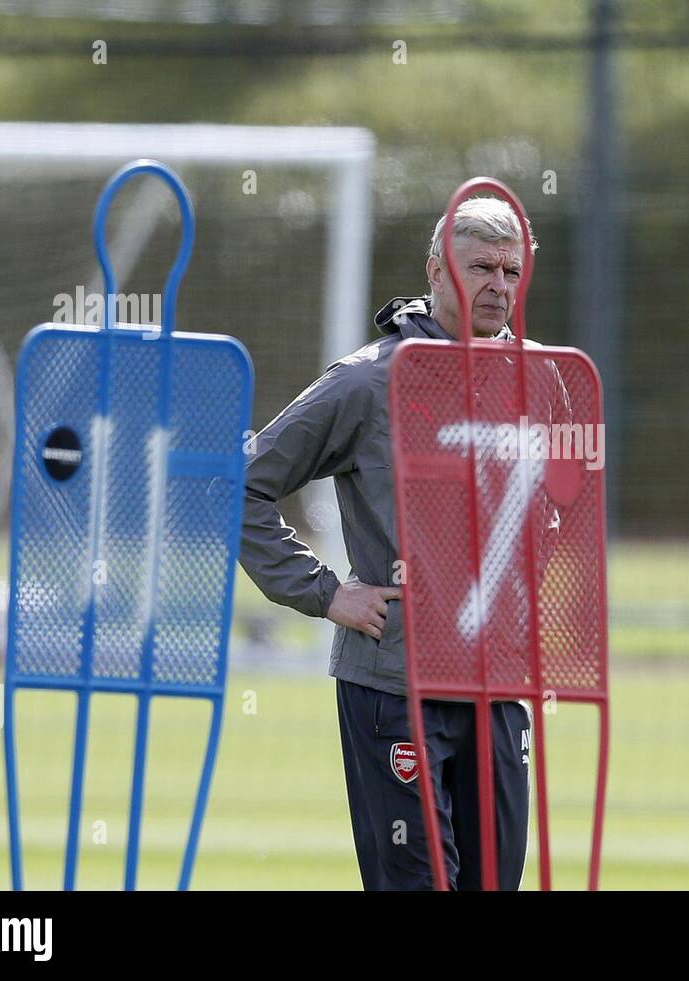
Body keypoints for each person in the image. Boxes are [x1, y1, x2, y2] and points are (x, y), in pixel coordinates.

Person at [238, 195, 541, 890]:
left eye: (511, 270)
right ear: (436, 270)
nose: (498, 284)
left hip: (496, 688)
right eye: (480, 268)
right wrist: (325, 592)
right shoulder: (372, 380)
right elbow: (244, 486)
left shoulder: (533, 379)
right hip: (394, 683)